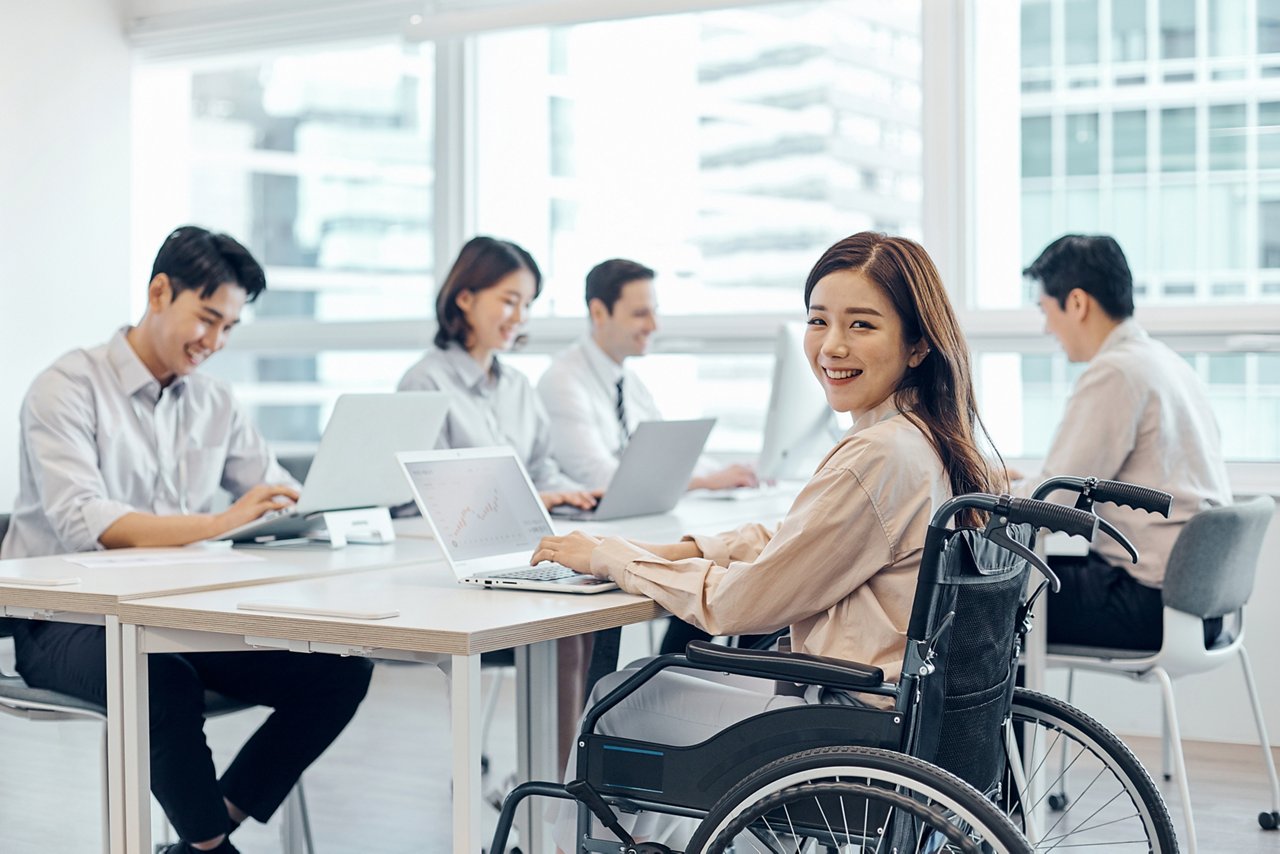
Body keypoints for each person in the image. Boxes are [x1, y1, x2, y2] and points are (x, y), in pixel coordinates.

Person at [531, 231, 999, 848]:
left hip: (849, 720)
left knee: (615, 698)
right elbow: (803, 537)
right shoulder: (933, 439)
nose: (832, 346)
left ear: (916, 345)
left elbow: (739, 605)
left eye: (861, 325)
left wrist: (613, 557)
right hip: (906, 713)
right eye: (819, 321)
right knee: (657, 684)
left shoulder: (877, 455)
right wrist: (687, 550)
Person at [0, 226, 374, 854]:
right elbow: (89, 523)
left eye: (228, 327)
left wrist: (334, 504)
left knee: (340, 671)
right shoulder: (65, 388)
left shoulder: (214, 401)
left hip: (180, 614)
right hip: (63, 620)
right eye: (207, 319)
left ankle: (209, 825)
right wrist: (224, 522)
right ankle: (208, 847)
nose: (215, 342)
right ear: (159, 291)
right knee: (155, 675)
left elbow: (275, 491)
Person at [396, 235, 599, 762]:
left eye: (527, 304)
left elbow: (540, 466)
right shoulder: (425, 383)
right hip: (459, 571)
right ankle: (553, 791)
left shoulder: (517, 386)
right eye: (509, 300)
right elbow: (427, 495)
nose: (519, 315)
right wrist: (540, 492)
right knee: (566, 631)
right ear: (465, 297)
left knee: (589, 618)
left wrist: (568, 493)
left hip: (522, 553)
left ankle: (568, 783)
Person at [1018, 234, 1232, 650]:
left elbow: (1052, 504)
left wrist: (990, 494)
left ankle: (1015, 718)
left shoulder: (1116, 373)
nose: (1047, 327)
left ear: (1077, 303)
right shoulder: (1166, 363)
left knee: (982, 604)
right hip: (1198, 603)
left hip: (1146, 603)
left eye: (1045, 310)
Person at [536, 258, 757, 492]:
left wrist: (733, 473)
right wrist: (704, 483)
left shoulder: (628, 382)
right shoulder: (562, 382)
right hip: (590, 522)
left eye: (655, 312)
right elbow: (600, 478)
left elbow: (667, 456)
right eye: (641, 314)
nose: (654, 326)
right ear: (599, 313)